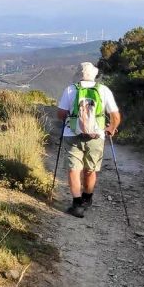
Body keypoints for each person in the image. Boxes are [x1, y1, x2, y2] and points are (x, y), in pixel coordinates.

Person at [55, 62, 121, 218]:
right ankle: (87, 198)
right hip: (97, 136)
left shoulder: (70, 90)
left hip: (72, 134)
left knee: (74, 169)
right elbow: (115, 116)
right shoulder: (104, 90)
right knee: (91, 169)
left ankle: (77, 204)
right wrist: (110, 129)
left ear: (79, 75)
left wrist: (73, 118)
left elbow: (61, 114)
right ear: (94, 75)